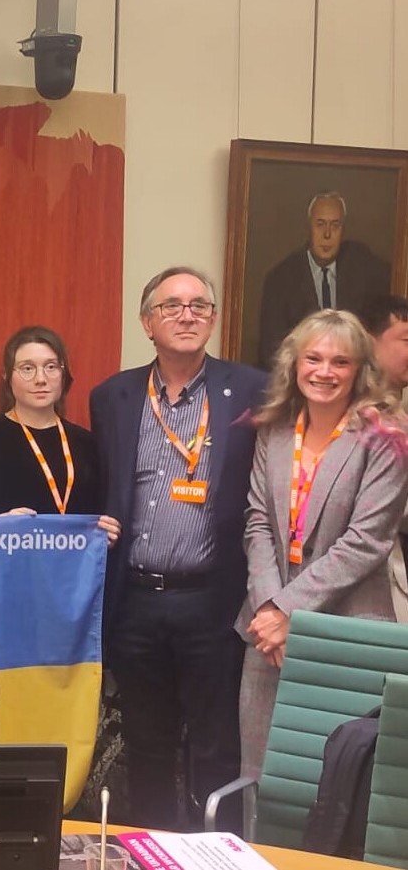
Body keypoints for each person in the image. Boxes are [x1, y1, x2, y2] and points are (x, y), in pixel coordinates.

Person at [89, 266, 266, 830]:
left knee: (217, 744)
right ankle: (153, 849)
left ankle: (217, 854)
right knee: (146, 742)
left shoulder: (253, 390)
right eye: (172, 306)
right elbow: (104, 485)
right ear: (148, 322)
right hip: (136, 601)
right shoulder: (112, 396)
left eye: (199, 306)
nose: (187, 315)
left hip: (212, 601)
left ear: (213, 319)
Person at [239, 309, 408, 776]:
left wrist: (287, 611)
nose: (325, 372)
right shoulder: (275, 427)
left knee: (337, 780)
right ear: (294, 364)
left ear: (360, 370)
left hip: (347, 630)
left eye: (341, 361)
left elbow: (366, 541)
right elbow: (257, 522)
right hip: (266, 636)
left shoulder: (387, 436)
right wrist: (269, 608)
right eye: (313, 358)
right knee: (261, 775)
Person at [0, 325, 117, 540]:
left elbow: (99, 514)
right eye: (27, 368)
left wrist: (106, 534)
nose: (41, 378)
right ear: (7, 375)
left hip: (72, 561)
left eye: (51, 367)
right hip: (5, 559)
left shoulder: (87, 445)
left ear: (64, 374)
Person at [258, 191, 391, 367]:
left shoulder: (364, 273)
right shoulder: (280, 280)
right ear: (308, 228)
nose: (327, 234)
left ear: (343, 230)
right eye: (320, 224)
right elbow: (271, 354)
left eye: (335, 225)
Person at [358, 294, 408, 622]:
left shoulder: (398, 414)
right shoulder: (349, 414)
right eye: (406, 340)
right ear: (369, 340)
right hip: (359, 588)